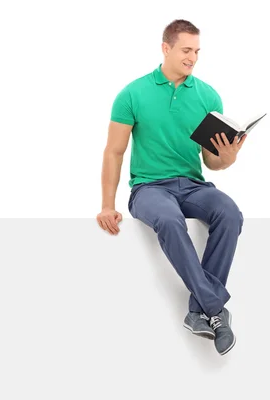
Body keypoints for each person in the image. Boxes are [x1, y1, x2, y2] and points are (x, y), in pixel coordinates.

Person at [96, 19, 247, 356]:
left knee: (230, 214)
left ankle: (198, 312)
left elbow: (212, 162)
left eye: (197, 51)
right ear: (166, 48)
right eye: (186, 50)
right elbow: (114, 151)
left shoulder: (208, 95)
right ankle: (214, 309)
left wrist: (229, 157)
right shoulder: (132, 93)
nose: (192, 57)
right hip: (149, 188)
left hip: (193, 185)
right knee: (168, 219)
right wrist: (108, 204)